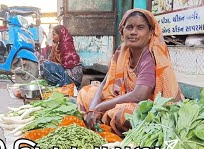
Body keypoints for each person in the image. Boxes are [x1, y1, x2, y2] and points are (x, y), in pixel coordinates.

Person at [77, 9, 183, 137]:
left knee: (125, 113)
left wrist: (100, 107)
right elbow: (105, 82)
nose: (133, 32)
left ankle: (103, 120)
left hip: (148, 108)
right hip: (122, 98)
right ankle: (101, 119)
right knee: (86, 92)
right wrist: (93, 107)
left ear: (150, 33)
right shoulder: (122, 51)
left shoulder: (151, 56)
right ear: (122, 33)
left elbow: (140, 96)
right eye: (129, 27)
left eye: (140, 28)